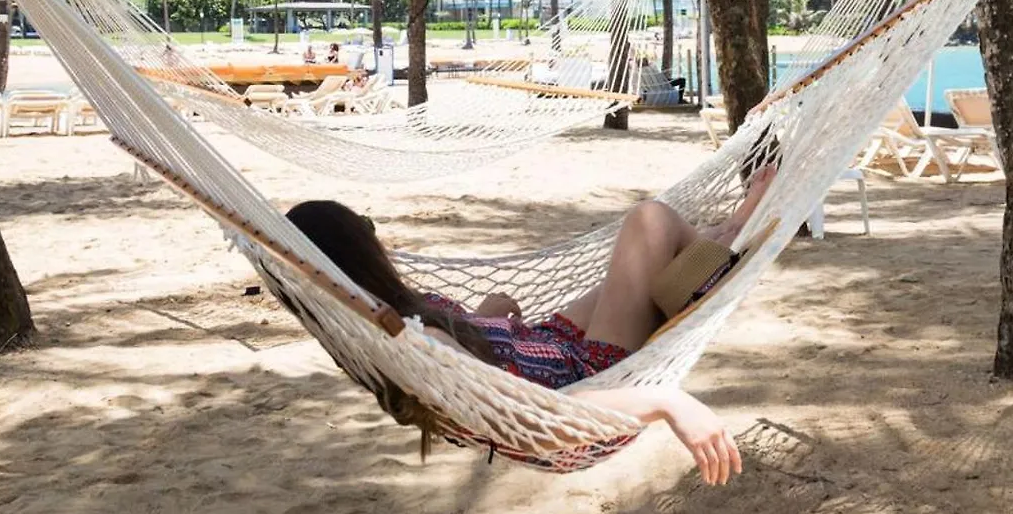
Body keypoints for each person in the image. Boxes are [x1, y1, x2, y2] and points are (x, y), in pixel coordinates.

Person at [285, 165, 777, 485]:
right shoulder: (417, 346)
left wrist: (483, 317)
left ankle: (721, 241)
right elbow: (535, 419)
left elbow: (470, 370)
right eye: (366, 226)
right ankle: (726, 241)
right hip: (584, 384)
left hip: (544, 346)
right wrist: (666, 401)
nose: (379, 235)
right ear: (356, 252)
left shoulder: (389, 326)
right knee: (649, 222)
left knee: (647, 260)